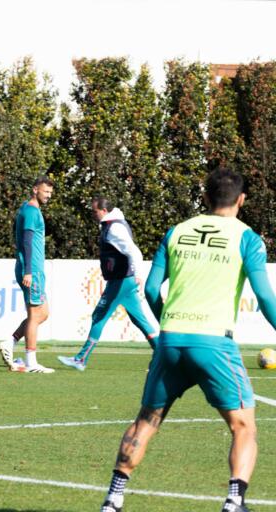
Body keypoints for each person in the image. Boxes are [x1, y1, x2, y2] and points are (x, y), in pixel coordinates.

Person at [100, 168, 276, 512]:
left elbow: (152, 289)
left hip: (170, 339)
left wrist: (168, 321)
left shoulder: (176, 232)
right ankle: (234, 501)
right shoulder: (247, 238)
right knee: (243, 426)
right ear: (241, 200)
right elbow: (265, 297)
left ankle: (113, 498)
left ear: (205, 197)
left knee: (146, 420)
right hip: (213, 343)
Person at [58, 198, 159, 371]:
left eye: (94, 211)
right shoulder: (112, 224)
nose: (93, 214)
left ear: (104, 211)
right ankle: (163, 358)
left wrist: (139, 274)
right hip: (124, 280)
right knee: (140, 320)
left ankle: (81, 359)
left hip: (121, 281)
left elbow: (134, 251)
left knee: (99, 316)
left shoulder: (114, 228)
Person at [0, 175, 55, 373]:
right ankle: (31, 362)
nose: (48, 195)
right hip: (32, 270)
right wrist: (28, 271)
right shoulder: (30, 211)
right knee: (34, 314)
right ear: (35, 190)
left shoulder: (28, 209)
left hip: (35, 269)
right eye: (45, 191)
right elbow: (27, 242)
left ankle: (10, 342)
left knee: (43, 313)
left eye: (50, 192)